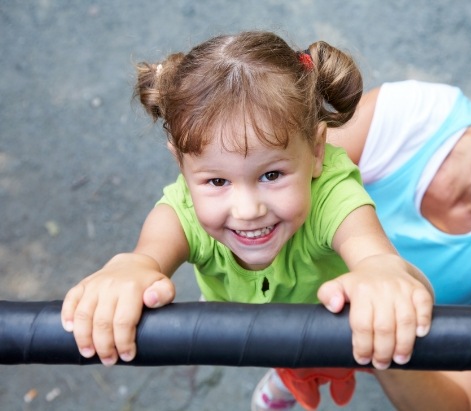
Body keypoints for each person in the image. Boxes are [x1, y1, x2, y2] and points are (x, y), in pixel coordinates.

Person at [59, 31, 434, 411]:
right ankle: (284, 380)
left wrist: (380, 272)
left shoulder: (332, 193)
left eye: (271, 175)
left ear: (317, 151)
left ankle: (291, 378)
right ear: (182, 167)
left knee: (377, 344)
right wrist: (128, 269)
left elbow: (372, 254)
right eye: (217, 181)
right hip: (260, 320)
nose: (247, 209)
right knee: (288, 362)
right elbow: (146, 257)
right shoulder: (183, 209)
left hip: (334, 327)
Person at [323, 52, 471, 410]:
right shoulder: (409, 115)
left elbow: (460, 401)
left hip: (370, 342)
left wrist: (384, 326)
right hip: (286, 280)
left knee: (311, 361)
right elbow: (276, 183)